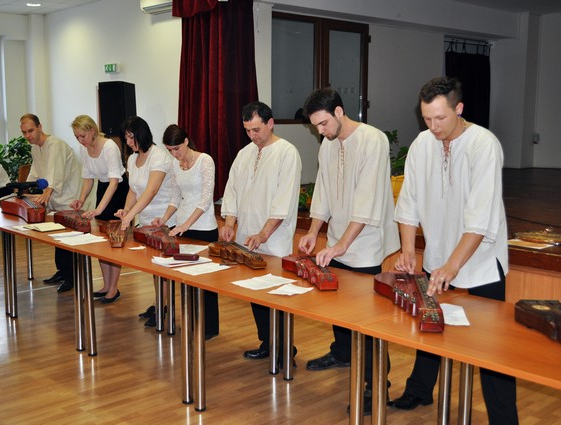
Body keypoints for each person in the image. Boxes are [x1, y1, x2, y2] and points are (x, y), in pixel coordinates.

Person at [390, 77, 518, 425]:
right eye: (426, 118)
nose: (433, 126)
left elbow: (479, 219)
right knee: (430, 326)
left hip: (480, 262)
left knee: (491, 351)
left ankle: (505, 420)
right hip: (438, 257)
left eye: (440, 118)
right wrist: (408, 250)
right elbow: (408, 202)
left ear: (459, 108)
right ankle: (419, 389)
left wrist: (452, 266)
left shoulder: (483, 144)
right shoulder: (422, 144)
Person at [299, 88, 400, 415]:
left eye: (324, 123)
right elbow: (323, 191)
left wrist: (342, 244)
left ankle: (377, 385)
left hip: (366, 243)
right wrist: (313, 232)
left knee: (368, 321)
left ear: (340, 112)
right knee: (338, 307)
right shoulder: (328, 144)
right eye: (316, 126)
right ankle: (342, 353)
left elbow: (367, 200)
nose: (321, 131)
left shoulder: (373, 140)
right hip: (338, 240)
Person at [220, 101, 302, 362]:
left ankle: (285, 349)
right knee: (255, 294)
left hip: (274, 240)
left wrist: (263, 235)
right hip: (247, 236)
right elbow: (232, 191)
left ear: (270, 123)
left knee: (276, 296)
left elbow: (283, 200)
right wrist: (229, 224)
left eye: (256, 129)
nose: (252, 135)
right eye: (247, 130)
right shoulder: (244, 154)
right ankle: (267, 342)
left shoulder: (287, 153)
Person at [153, 124, 220, 338]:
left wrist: (186, 225)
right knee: (186, 278)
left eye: (176, 149)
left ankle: (209, 328)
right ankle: (192, 322)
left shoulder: (205, 160)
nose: (174, 154)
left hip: (203, 227)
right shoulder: (175, 164)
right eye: (169, 150)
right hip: (182, 226)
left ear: (186, 141)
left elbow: (206, 200)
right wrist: (164, 219)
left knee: (205, 281)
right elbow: (175, 196)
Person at [115, 116, 177, 327]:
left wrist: (130, 216)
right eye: (126, 138)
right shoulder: (133, 159)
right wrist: (126, 211)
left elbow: (151, 191)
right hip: (145, 220)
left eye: (131, 137)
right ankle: (158, 303)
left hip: (164, 219)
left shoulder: (158, 156)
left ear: (142, 134)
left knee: (163, 267)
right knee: (154, 267)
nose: (128, 142)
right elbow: (133, 190)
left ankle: (164, 307)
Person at [69, 115, 129, 304]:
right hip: (104, 188)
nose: (80, 140)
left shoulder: (109, 146)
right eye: (77, 137)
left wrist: (98, 209)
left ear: (92, 131)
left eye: (83, 136)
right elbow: (88, 178)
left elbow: (114, 182)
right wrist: (81, 199)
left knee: (114, 240)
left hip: (118, 189)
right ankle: (105, 285)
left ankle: (113, 288)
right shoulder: (84, 148)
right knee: (102, 241)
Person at [20, 113, 82, 293]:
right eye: (24, 132)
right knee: (58, 238)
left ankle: (72, 278)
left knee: (69, 240)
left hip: (69, 199)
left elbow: (56, 174)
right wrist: (23, 188)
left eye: (31, 131)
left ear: (40, 127)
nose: (28, 135)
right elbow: (35, 172)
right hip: (53, 198)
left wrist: (47, 193)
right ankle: (62, 272)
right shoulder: (35, 148)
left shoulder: (56, 145)